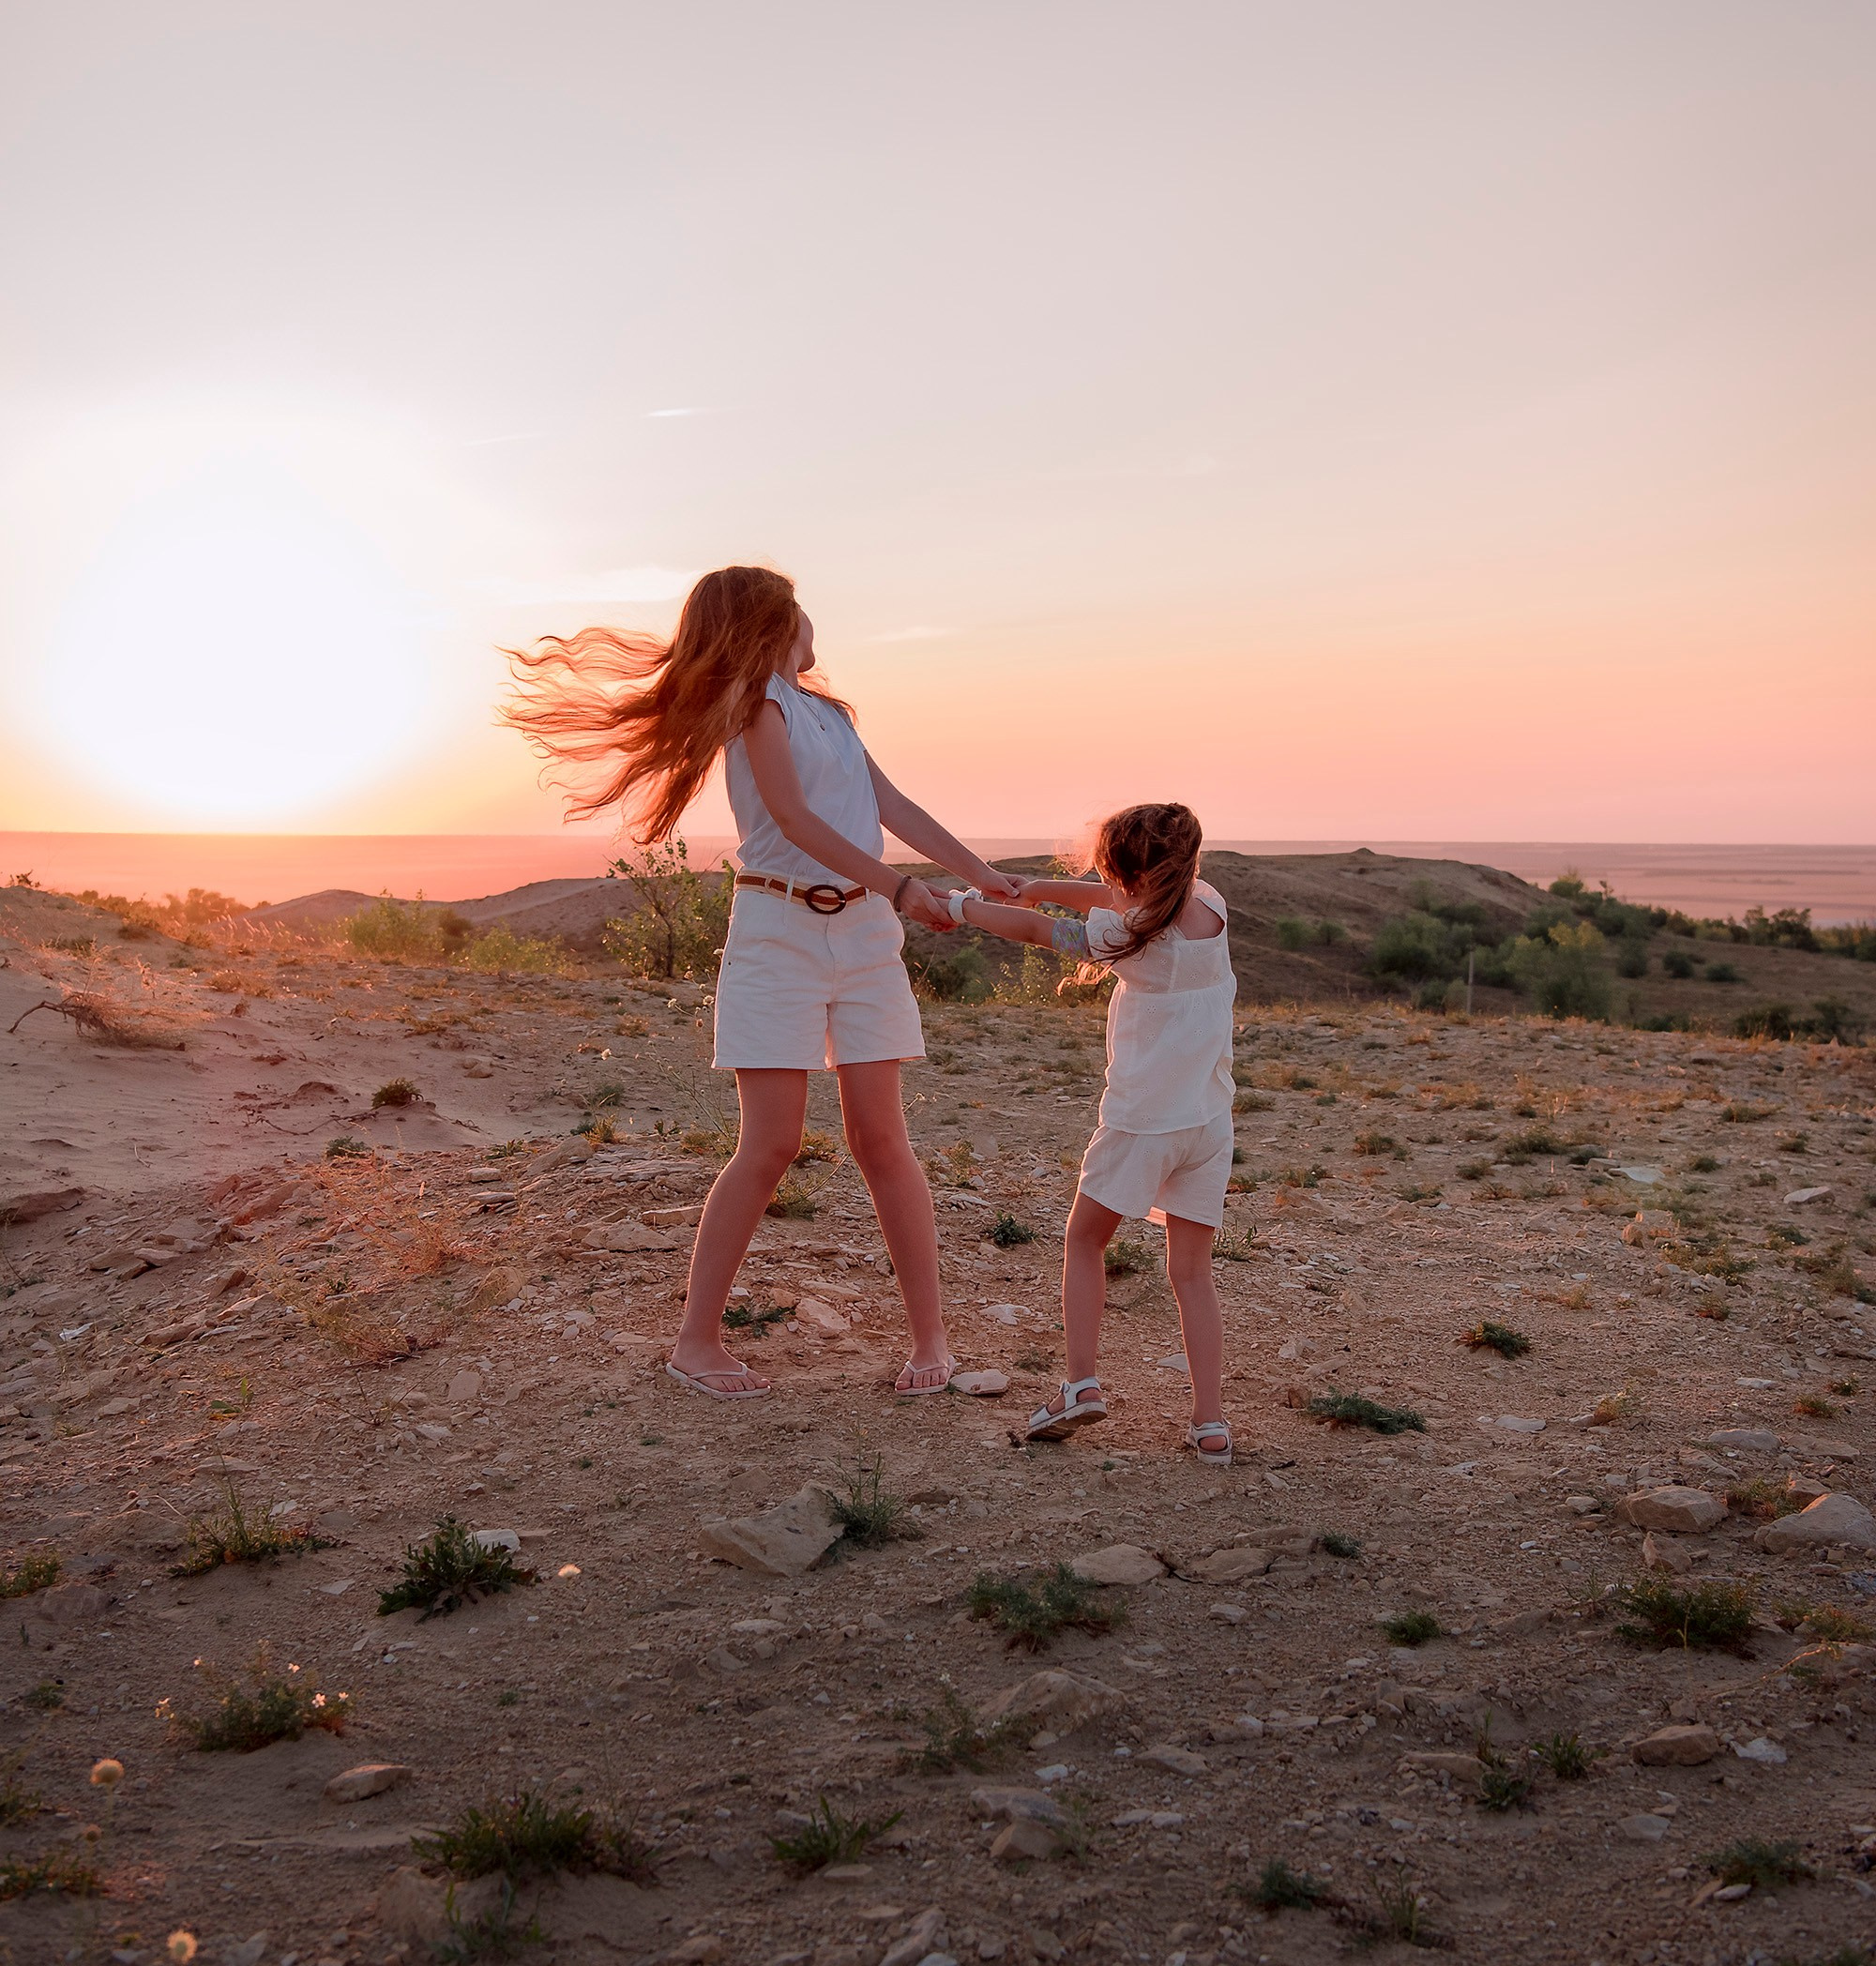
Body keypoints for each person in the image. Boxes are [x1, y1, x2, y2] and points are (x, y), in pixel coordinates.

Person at [503, 564, 1020, 1399]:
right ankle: (695, 1342)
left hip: (861, 935)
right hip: (778, 933)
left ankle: (932, 1342)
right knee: (772, 1142)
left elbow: (892, 805)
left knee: (882, 1141)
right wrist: (903, 888)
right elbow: (793, 820)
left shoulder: (829, 712)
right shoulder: (756, 707)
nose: (816, 620)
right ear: (773, 621)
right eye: (801, 606)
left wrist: (981, 873)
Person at [937, 804, 1239, 1462]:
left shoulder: (1122, 938)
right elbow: (1112, 898)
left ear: (1125, 873)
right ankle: (1210, 1424)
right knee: (1191, 1273)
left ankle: (1080, 1384)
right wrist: (1034, 883)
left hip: (1141, 1125)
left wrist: (962, 906)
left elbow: (1035, 932)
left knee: (1083, 1240)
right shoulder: (1210, 909)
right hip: (1209, 1124)